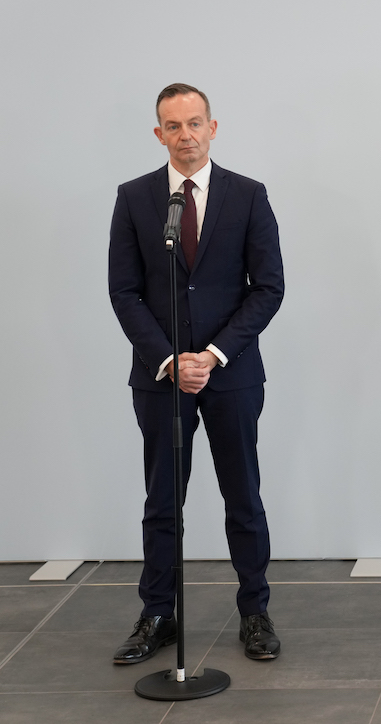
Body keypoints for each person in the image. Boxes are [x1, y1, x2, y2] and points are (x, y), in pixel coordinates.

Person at [108, 83, 285, 664]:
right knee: (163, 500)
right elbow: (125, 291)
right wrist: (169, 358)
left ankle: (255, 611)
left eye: (195, 124)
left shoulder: (249, 196)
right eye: (173, 126)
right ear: (158, 134)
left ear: (214, 127)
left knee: (244, 496)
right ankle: (158, 612)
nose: (185, 135)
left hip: (230, 375)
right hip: (160, 378)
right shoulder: (134, 198)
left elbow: (268, 289)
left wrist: (210, 356)